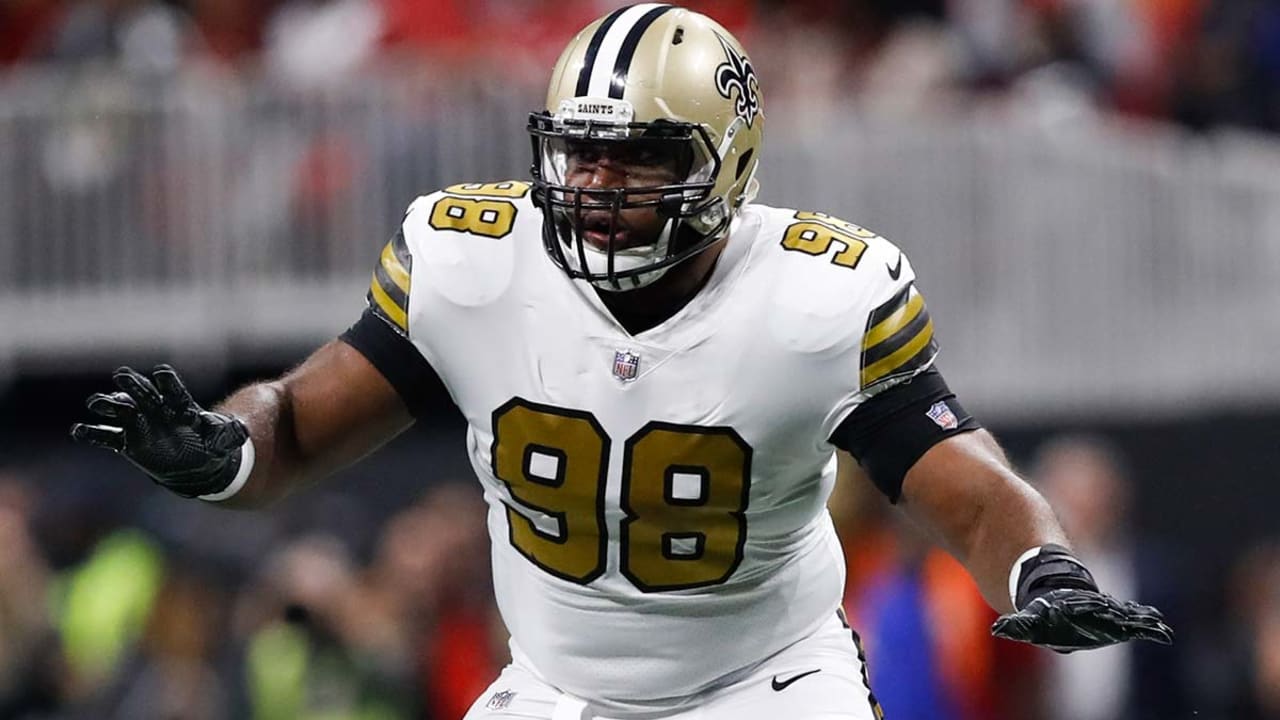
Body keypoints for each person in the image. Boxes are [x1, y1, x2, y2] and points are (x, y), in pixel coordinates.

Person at [71, 5, 1173, 719]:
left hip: (765, 688)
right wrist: (225, 445)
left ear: (725, 163)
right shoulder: (474, 260)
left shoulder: (816, 292)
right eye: (578, 153)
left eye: (636, 158)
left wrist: (1041, 565)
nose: (597, 186)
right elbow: (301, 422)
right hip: (553, 690)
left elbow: (962, 484)